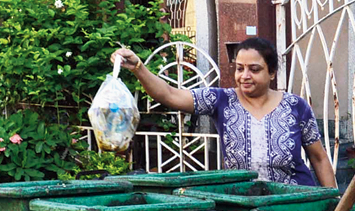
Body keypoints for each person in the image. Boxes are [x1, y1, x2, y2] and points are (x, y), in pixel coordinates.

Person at [111, 37, 336, 188]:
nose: (244, 75)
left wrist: (333, 207)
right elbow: (169, 95)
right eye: (239, 68)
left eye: (254, 69)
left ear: (272, 73)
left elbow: (319, 158)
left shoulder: (295, 106)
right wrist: (139, 68)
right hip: (244, 205)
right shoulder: (221, 100)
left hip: (296, 205)